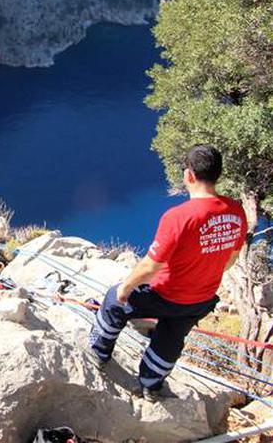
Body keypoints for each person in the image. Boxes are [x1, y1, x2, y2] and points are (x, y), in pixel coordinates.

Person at [88, 145, 247, 402]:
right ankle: (151, 385)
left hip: (164, 295)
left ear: (189, 175)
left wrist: (125, 288)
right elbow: (231, 258)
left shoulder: (179, 217)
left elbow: (151, 265)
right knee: (172, 335)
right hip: (201, 299)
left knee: (112, 300)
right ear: (217, 174)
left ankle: (98, 353)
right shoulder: (236, 211)